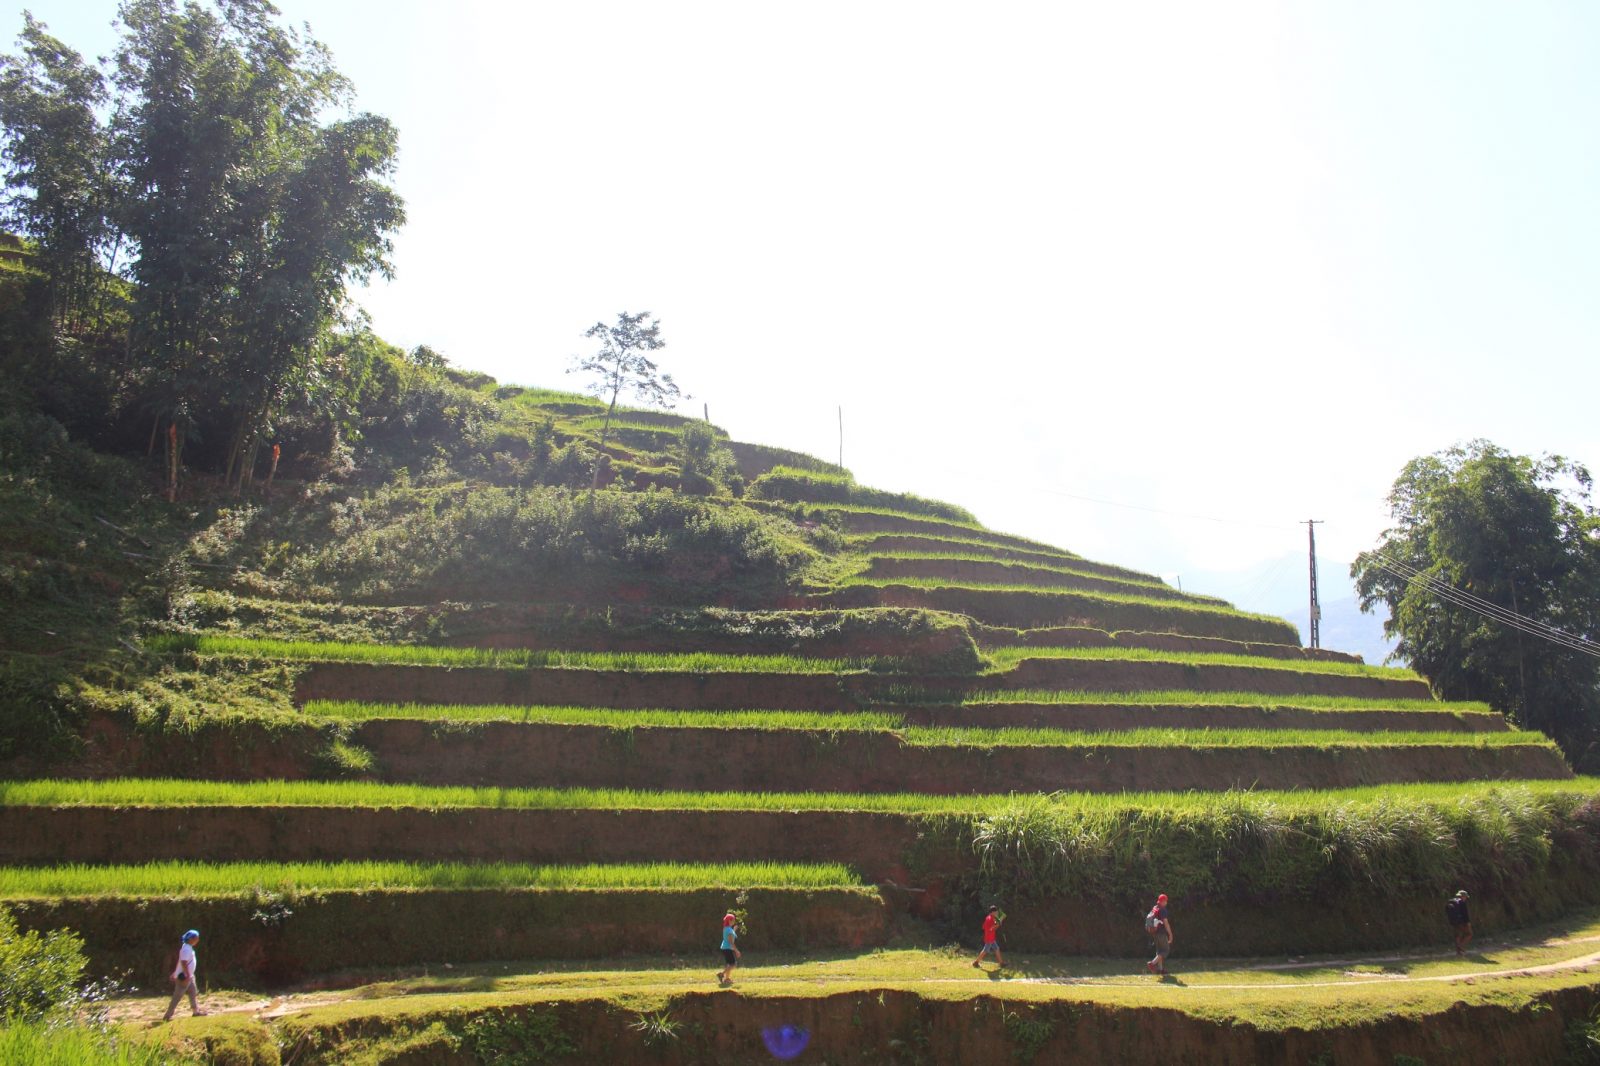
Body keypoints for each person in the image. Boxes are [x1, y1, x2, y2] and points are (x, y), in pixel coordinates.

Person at [162, 930, 207, 1021]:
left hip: (189, 976)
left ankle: (195, 1011)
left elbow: (180, 963)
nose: (197, 940)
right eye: (196, 938)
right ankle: (167, 1016)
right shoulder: (186, 949)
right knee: (177, 996)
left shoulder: (188, 947)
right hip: (185, 977)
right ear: (191, 939)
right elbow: (183, 962)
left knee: (193, 993)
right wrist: (187, 975)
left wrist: (176, 973)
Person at [1145, 894, 1173, 975]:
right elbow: (1166, 923)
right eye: (1166, 901)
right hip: (1161, 933)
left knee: (1159, 951)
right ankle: (1152, 964)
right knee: (1165, 950)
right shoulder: (1162, 909)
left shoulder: (1155, 907)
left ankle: (1160, 970)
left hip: (1155, 932)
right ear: (1163, 901)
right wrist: (1170, 934)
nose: (1166, 902)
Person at [972, 905, 1004, 970]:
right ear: (992, 912)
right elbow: (991, 929)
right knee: (985, 951)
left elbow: (984, 927)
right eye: (996, 912)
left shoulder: (991, 917)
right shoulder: (989, 919)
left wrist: (997, 923)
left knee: (996, 948)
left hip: (991, 937)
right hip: (989, 938)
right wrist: (998, 924)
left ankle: (1001, 963)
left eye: (997, 912)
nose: (997, 913)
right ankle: (976, 962)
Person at [1447, 889, 1472, 956]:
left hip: (1454, 922)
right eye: (1465, 897)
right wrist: (1468, 923)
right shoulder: (1462, 902)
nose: (1466, 898)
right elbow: (1465, 914)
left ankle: (1458, 952)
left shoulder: (1452, 901)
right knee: (1469, 934)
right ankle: (1461, 947)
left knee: (1458, 935)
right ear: (1463, 896)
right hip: (1462, 922)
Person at [718, 912, 741, 985]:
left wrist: (734, 929)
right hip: (727, 948)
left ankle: (727, 979)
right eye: (733, 920)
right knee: (733, 964)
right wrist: (736, 951)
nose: (734, 921)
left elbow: (731, 936)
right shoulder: (729, 930)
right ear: (729, 921)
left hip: (725, 948)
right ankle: (721, 974)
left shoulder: (727, 928)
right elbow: (731, 942)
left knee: (729, 965)